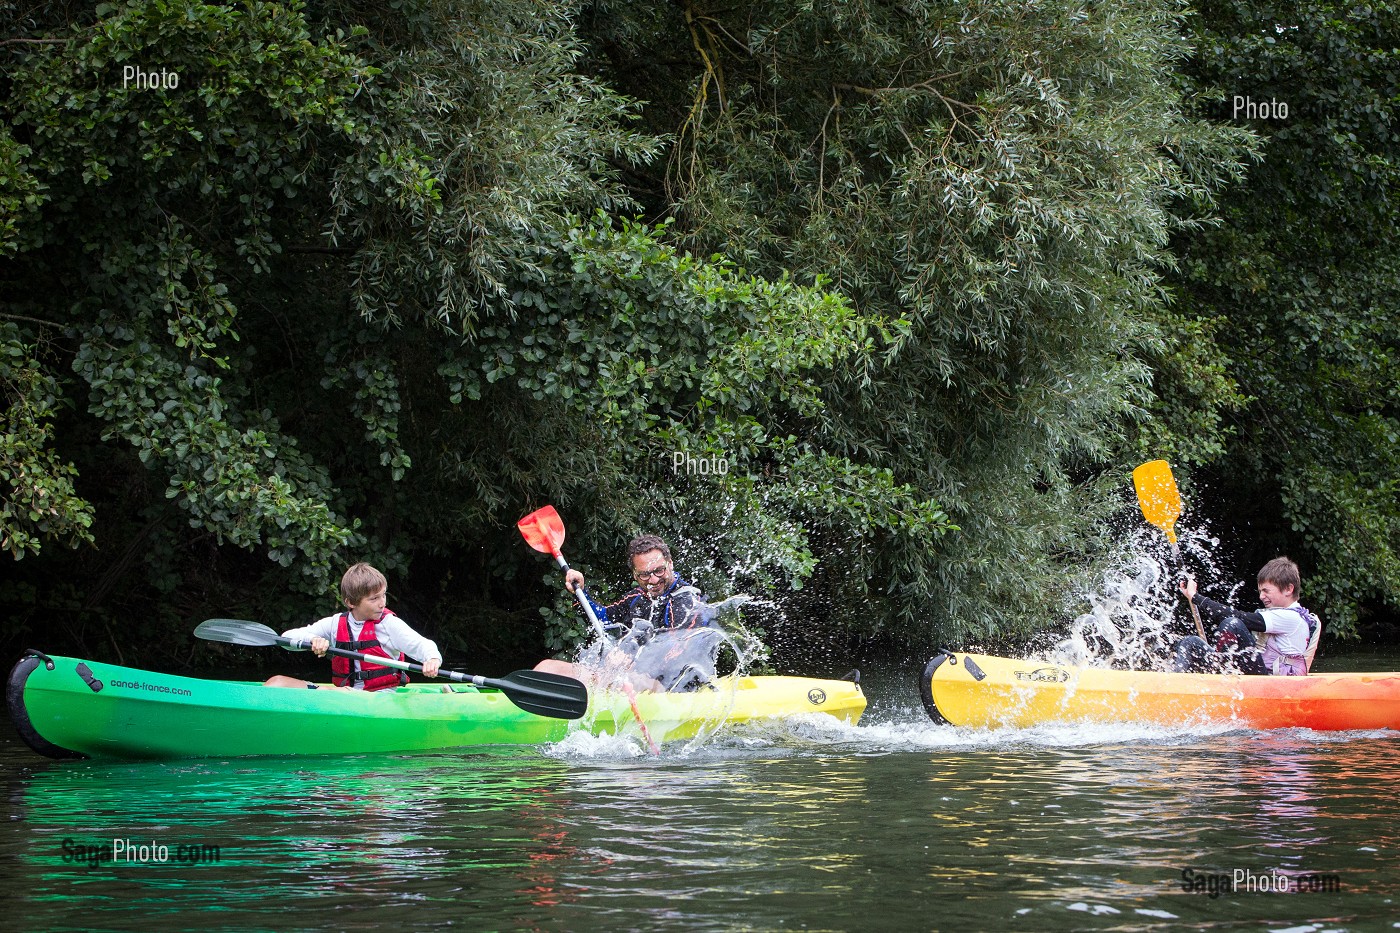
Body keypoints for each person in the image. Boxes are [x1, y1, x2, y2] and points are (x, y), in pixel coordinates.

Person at [535, 534, 717, 690]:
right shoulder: (636, 598)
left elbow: (679, 654)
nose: (653, 580)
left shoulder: (689, 601)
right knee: (547, 668)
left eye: (659, 571)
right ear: (635, 576)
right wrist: (580, 592)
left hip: (678, 687)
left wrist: (632, 662)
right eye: (644, 575)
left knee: (620, 678)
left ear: (670, 564)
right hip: (633, 678)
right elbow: (602, 620)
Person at [264, 562, 442, 689]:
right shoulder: (335, 624)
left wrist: (432, 660)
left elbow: (423, 645)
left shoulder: (389, 625)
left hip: (381, 698)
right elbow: (286, 638)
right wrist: (313, 640)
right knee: (276, 682)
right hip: (346, 695)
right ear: (351, 602)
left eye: (383, 595)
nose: (382, 603)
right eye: (374, 599)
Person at [1170, 556, 1322, 676]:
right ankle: (1175, 683)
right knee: (1190, 642)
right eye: (1260, 591)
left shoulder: (1292, 618)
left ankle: (1220, 675)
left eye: (1266, 591)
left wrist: (1196, 597)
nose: (1261, 596)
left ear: (1289, 589)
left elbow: (1238, 617)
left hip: (1275, 686)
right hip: (1260, 677)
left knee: (1233, 623)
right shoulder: (1281, 615)